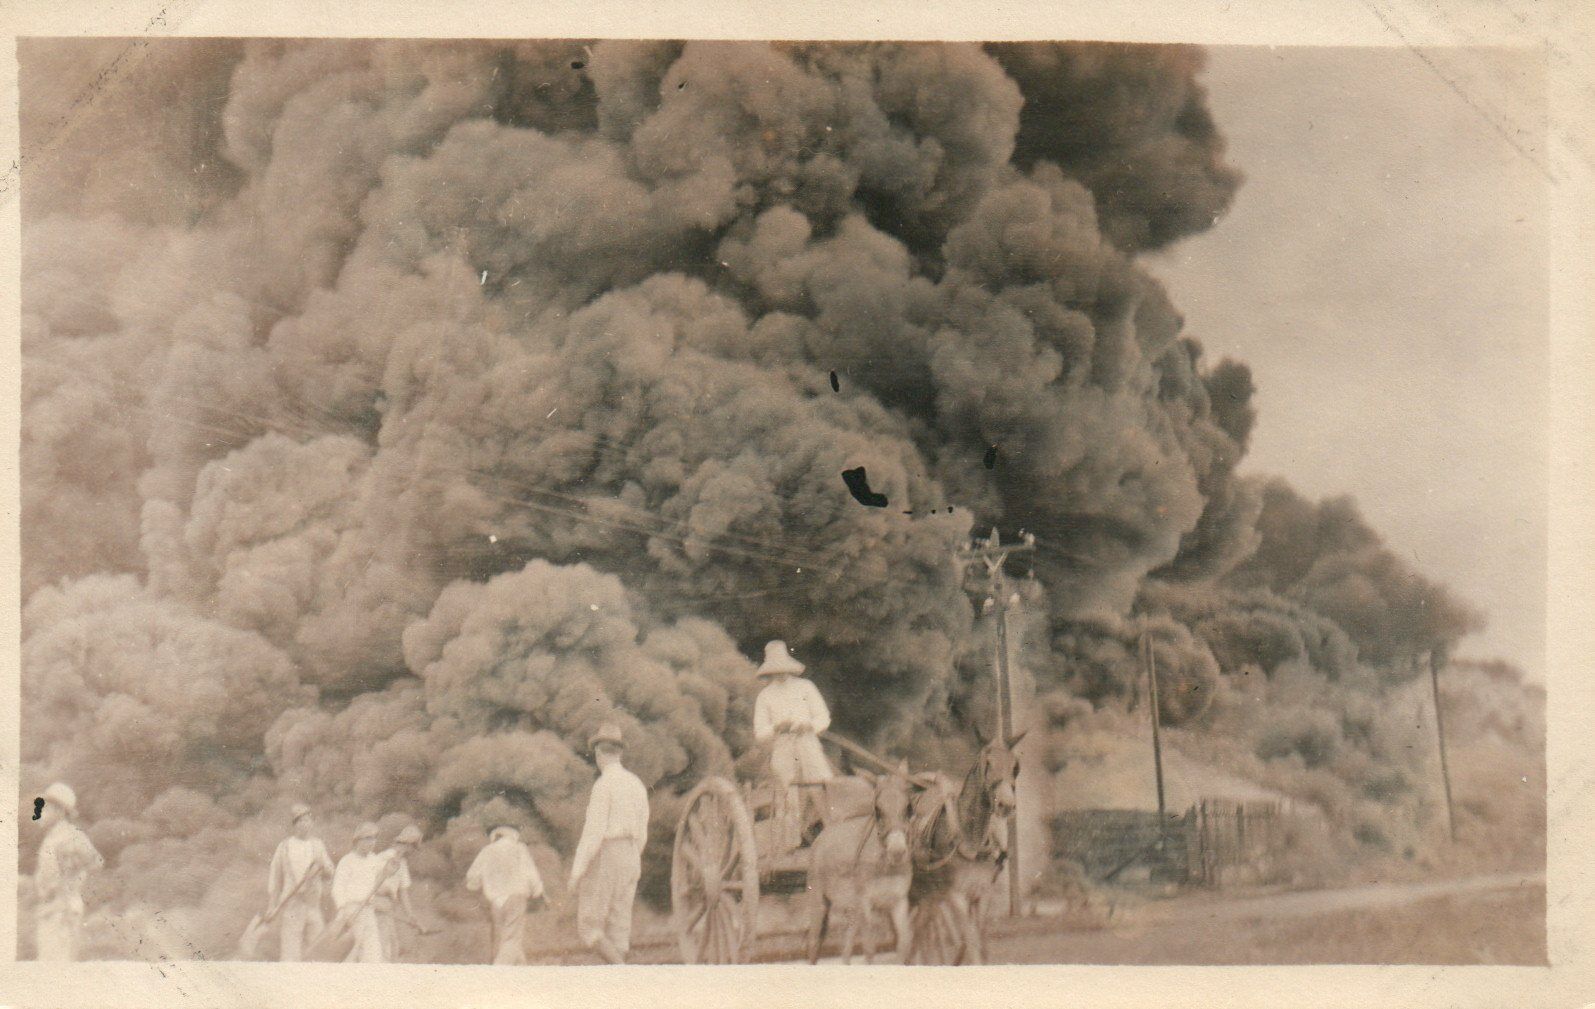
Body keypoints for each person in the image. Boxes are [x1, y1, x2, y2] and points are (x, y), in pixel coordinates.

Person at [569, 722, 649, 964]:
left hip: (608, 853)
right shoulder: (636, 784)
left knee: (589, 928)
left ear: (599, 754)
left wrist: (577, 872)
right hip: (632, 854)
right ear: (620, 753)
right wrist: (632, 854)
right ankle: (621, 991)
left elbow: (593, 833)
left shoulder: (603, 785)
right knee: (619, 930)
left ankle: (624, 975)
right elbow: (643, 829)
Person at [752, 640, 833, 847]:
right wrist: (777, 727)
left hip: (807, 743)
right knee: (788, 794)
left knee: (821, 786)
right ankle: (791, 843)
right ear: (769, 671)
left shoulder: (806, 687)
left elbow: (823, 717)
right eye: (775, 670)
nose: (780, 674)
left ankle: (832, 834)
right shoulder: (765, 696)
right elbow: (760, 732)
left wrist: (809, 725)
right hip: (783, 747)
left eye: (783, 669)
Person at [32, 782, 103, 961]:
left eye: (45, 808)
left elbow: (96, 862)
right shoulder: (52, 837)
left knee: (57, 969)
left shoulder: (71, 836)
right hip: (50, 909)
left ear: (60, 811)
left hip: (63, 910)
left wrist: (73, 874)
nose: (40, 812)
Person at [465, 824, 545, 965]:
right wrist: (538, 891)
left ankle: (521, 969)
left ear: (496, 836)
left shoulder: (487, 851)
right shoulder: (519, 849)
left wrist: (478, 886)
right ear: (513, 835)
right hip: (516, 897)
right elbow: (531, 872)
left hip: (496, 900)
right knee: (512, 938)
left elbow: (472, 878)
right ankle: (499, 971)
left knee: (504, 937)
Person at [267, 803, 335, 962]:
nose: (306, 824)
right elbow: (275, 879)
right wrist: (272, 905)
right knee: (290, 952)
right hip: (292, 904)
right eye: (301, 821)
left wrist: (323, 865)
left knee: (318, 949)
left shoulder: (317, 845)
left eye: (308, 820)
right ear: (295, 824)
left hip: (313, 904)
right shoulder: (284, 847)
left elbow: (331, 870)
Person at [331, 822, 397, 963]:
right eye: (367, 838)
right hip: (351, 910)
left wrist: (390, 870)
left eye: (373, 838)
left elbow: (384, 874)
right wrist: (343, 911)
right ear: (357, 841)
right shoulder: (347, 861)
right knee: (353, 953)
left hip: (368, 910)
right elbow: (337, 888)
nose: (371, 842)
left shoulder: (373, 859)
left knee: (372, 953)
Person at [373, 824, 423, 961]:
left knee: (393, 947)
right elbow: (371, 885)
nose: (412, 851)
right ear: (407, 845)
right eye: (412, 847)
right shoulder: (381, 858)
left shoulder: (403, 864)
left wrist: (411, 916)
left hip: (388, 906)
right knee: (384, 948)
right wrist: (386, 892)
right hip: (376, 905)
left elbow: (403, 892)